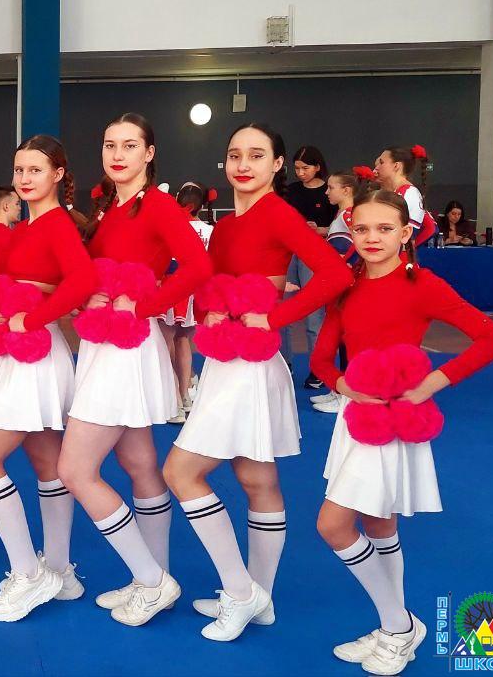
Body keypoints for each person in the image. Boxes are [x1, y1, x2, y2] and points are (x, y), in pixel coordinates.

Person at [163, 123, 351, 642]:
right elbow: (212, 285)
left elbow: (336, 274)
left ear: (277, 164)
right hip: (225, 360)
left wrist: (273, 317)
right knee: (255, 480)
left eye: (256, 155)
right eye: (234, 155)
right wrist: (212, 310)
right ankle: (259, 599)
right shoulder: (225, 226)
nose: (243, 164)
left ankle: (241, 591)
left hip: (252, 365)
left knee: (181, 471)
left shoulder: (278, 213)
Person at [312, 188, 493, 675]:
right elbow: (321, 358)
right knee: (377, 523)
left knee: (333, 526)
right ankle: (393, 626)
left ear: (405, 233)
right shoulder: (347, 285)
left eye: (384, 229)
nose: (372, 238)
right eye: (362, 229)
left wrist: (430, 384)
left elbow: (492, 338)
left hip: (395, 422)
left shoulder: (423, 284)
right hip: (357, 419)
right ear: (350, 231)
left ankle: (398, 627)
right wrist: (344, 386)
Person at [58, 114, 212, 626]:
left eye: (129, 145)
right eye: (110, 145)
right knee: (140, 464)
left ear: (149, 153)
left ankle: (152, 580)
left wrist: (144, 306)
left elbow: (198, 266)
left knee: (74, 470)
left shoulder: (160, 205)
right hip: (103, 343)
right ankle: (153, 577)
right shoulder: (110, 207)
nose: (117, 154)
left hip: (126, 346)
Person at [0, 135, 97, 623]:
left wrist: (32, 318)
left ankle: (28, 572)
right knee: (47, 463)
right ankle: (59, 570)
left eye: (35, 170)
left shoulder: (57, 223)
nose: (23, 178)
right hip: (17, 354)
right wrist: (4, 312)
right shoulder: (24, 226)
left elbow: (83, 281)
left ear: (58, 174)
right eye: (19, 170)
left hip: (34, 356)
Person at [310, 169, 369, 414]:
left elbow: (360, 244)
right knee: (340, 336)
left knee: (346, 338)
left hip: (347, 283)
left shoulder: (350, 214)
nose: (326, 192)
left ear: (346, 190)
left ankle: (347, 393)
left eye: (331, 187)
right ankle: (339, 389)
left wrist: (342, 266)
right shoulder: (342, 214)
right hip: (340, 281)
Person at [283, 146, 336, 390]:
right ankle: (284, 364)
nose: (300, 173)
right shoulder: (291, 191)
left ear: (317, 167)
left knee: (314, 315)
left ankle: (318, 370)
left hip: (315, 255)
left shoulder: (329, 192)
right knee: (282, 310)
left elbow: (341, 225)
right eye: (297, 168)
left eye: (305, 168)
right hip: (288, 254)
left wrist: (321, 230)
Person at [167, 182, 216, 423]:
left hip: (172, 290)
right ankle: (184, 395)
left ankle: (175, 402)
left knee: (166, 343)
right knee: (182, 339)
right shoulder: (209, 230)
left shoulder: (172, 227)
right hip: (196, 294)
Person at [374, 146, 436, 248]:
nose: (376, 168)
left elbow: (431, 228)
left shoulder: (408, 193)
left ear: (396, 166)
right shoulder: (401, 192)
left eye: (381, 162)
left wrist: (407, 249)